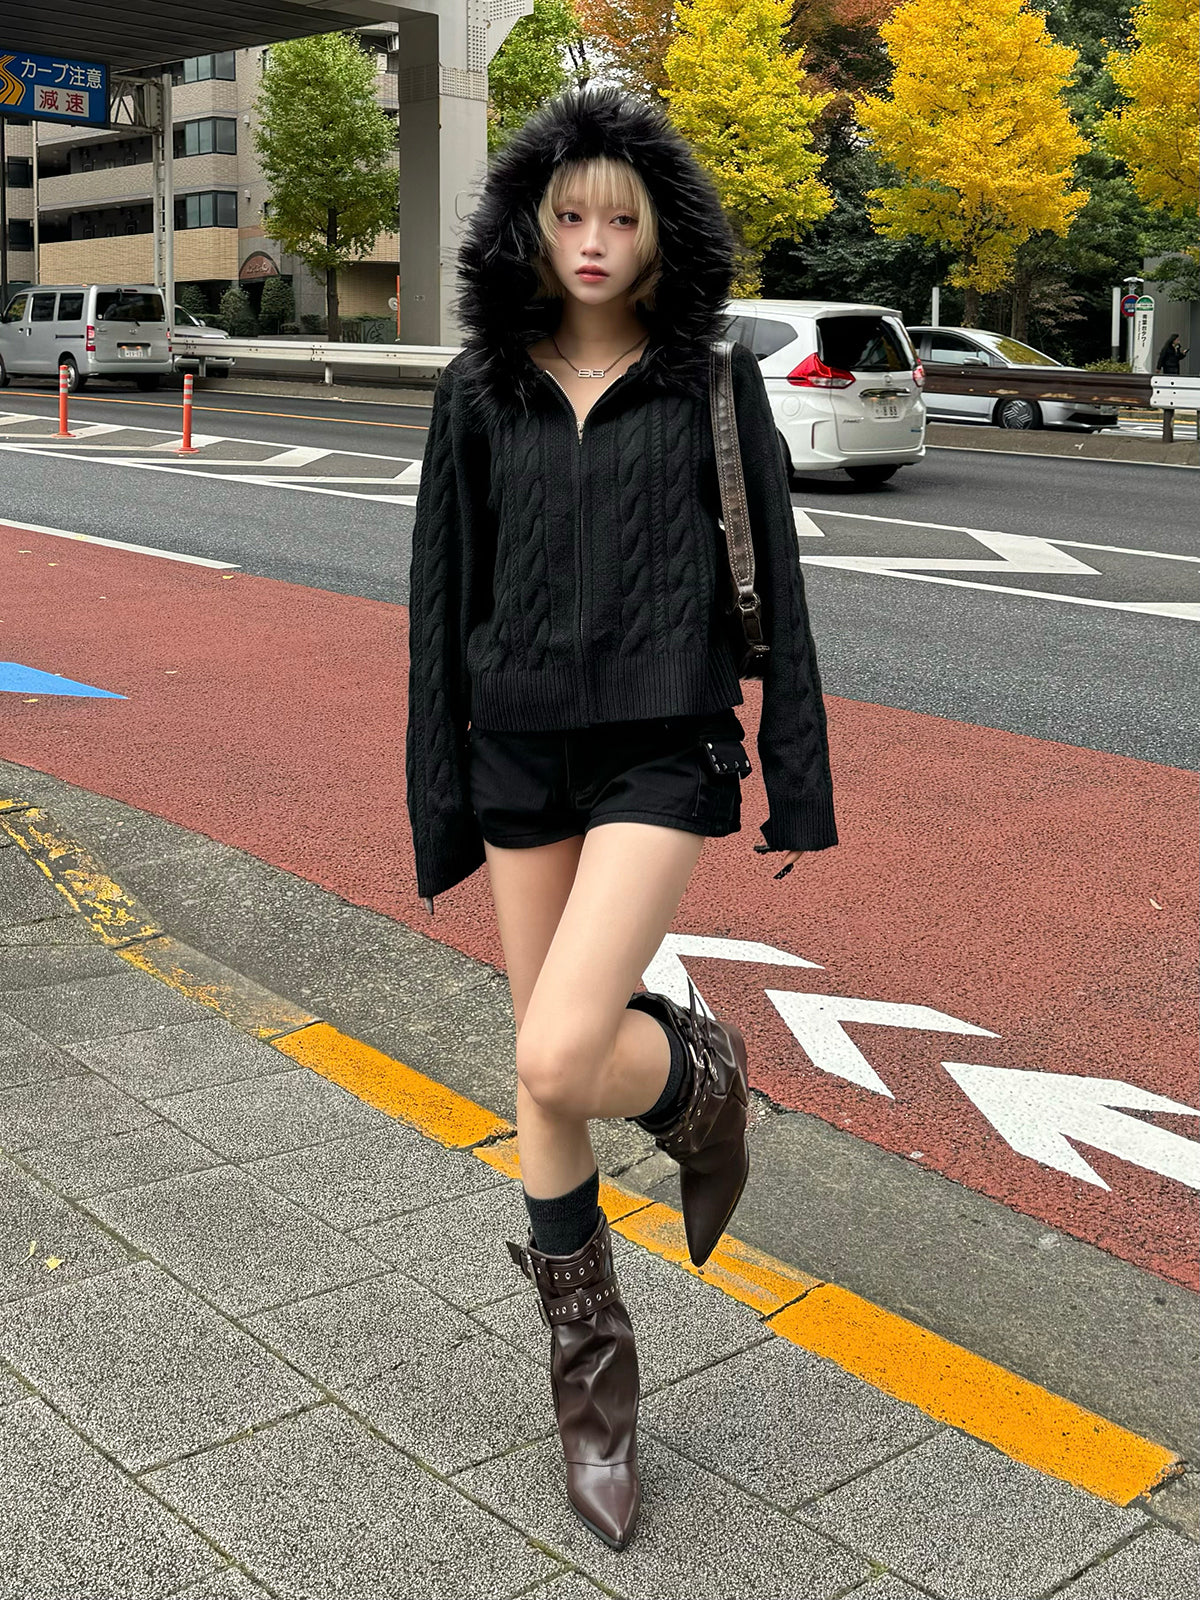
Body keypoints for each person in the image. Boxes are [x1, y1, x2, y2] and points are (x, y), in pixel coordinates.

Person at [405, 85, 836, 1551]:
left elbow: (781, 588)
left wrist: (797, 774)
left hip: (663, 745)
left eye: (622, 217)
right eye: (568, 214)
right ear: (531, 228)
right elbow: (441, 598)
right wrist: (444, 785)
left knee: (556, 1049)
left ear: (662, 235)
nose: (592, 240)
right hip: (519, 752)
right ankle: (591, 1391)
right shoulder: (479, 388)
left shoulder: (710, 382)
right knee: (545, 1081)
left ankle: (699, 1084)